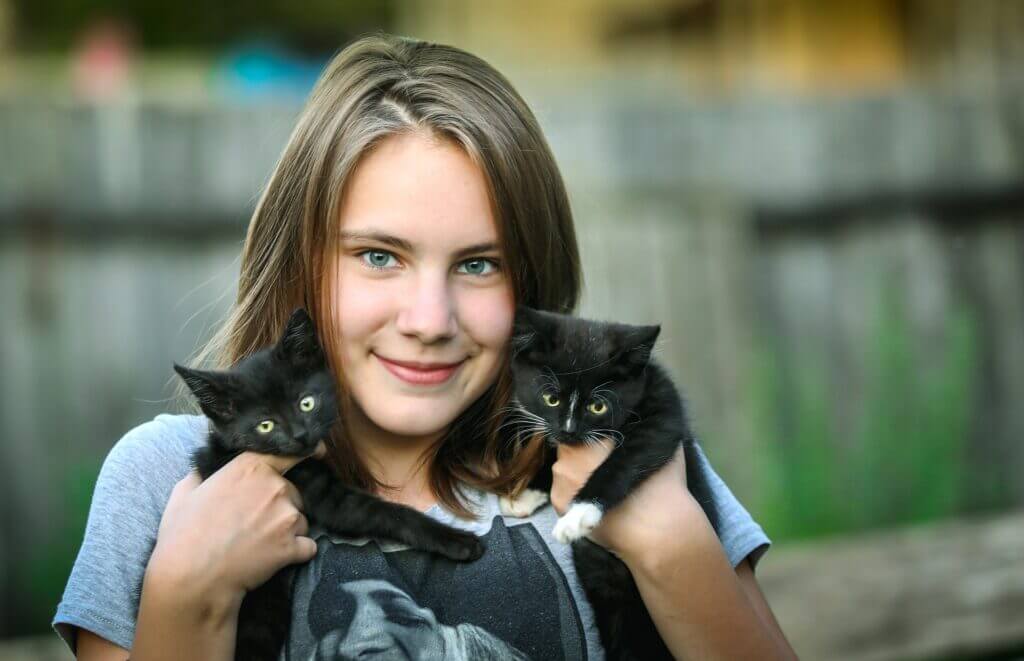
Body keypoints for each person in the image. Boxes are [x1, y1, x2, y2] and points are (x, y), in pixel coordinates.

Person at [53, 33, 797, 660]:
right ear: (300, 262)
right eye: (379, 255)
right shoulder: (165, 486)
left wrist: (672, 546)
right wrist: (188, 590)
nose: (429, 317)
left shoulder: (620, 455)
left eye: (479, 263)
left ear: (530, 284)